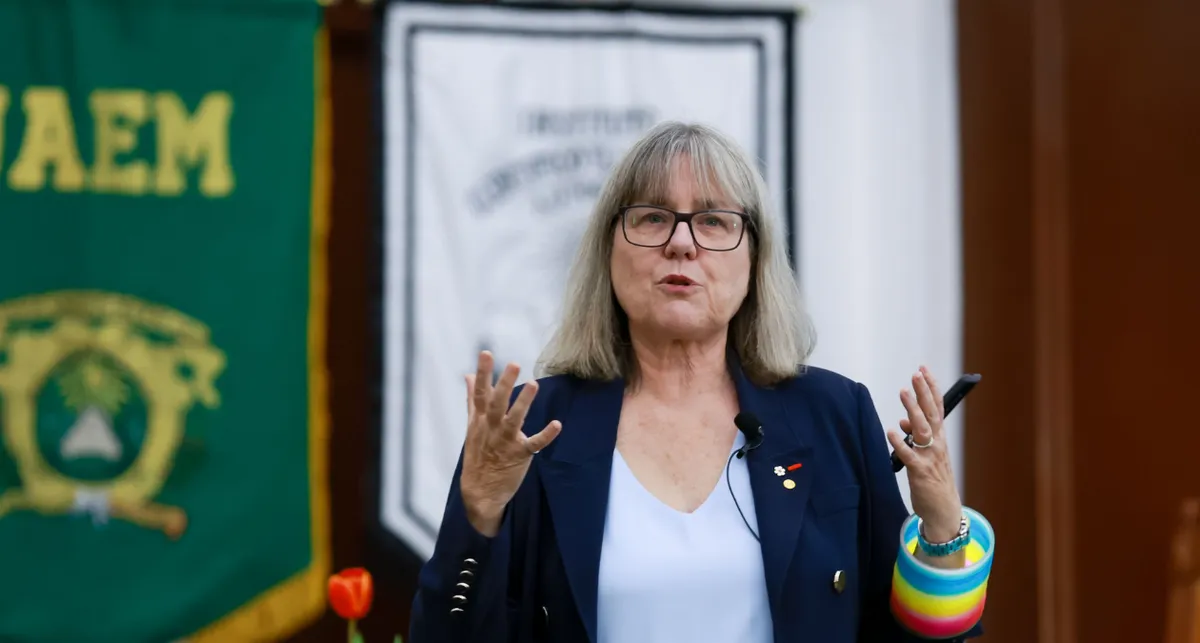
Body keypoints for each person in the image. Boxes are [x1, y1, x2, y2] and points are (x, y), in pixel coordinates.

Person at [409, 122, 994, 643]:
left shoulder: (834, 413)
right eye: (652, 217)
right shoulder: (533, 423)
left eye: (714, 221)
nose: (681, 243)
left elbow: (917, 640)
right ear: (608, 253)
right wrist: (478, 514)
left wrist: (942, 526)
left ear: (754, 260)